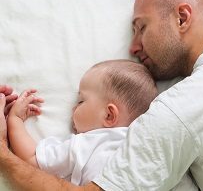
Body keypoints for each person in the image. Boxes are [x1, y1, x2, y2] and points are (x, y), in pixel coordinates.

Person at [0, 0, 203, 190]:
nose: (132, 47)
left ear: (181, 18)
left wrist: (2, 152)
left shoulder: (183, 107)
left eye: (141, 27)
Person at [7, 59, 158, 185]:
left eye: (81, 101)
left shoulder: (87, 144)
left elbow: (32, 160)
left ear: (109, 115)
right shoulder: (148, 152)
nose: (73, 108)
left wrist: (15, 119)